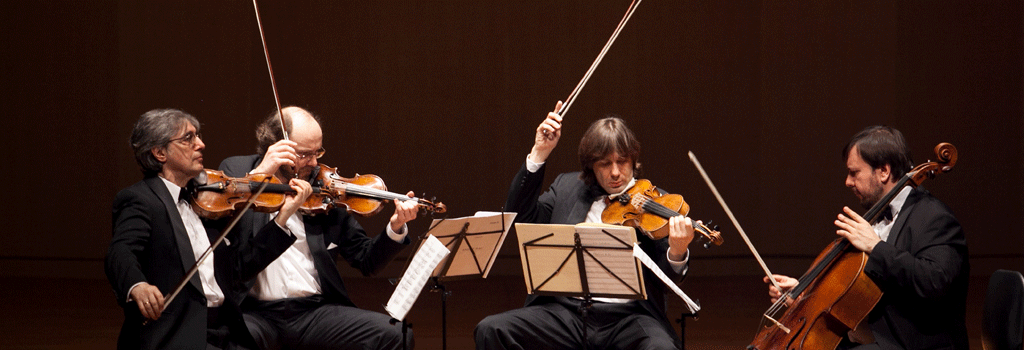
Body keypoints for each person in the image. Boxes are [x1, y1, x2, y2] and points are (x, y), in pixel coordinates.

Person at [475, 101, 698, 350]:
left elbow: (665, 282)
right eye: (604, 163)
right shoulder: (567, 188)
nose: (615, 172)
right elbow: (519, 215)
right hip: (566, 313)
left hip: (629, 318)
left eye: (622, 162)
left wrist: (677, 252)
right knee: (491, 330)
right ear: (591, 165)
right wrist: (539, 152)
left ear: (633, 160)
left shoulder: (657, 204)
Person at [105, 108, 312, 349]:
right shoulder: (140, 199)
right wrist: (137, 285)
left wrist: (282, 219)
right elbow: (120, 252)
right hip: (178, 333)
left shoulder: (207, 204)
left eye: (198, 136)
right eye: (188, 138)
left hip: (224, 331)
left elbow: (239, 269)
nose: (201, 144)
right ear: (160, 152)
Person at [218, 106, 419, 350]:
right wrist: (260, 175)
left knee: (396, 334)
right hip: (254, 313)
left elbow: (367, 260)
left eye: (318, 152)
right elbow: (228, 237)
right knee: (233, 342)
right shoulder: (237, 171)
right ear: (278, 147)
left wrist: (396, 226)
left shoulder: (325, 190)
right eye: (304, 154)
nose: (314, 163)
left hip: (314, 313)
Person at [764, 126, 969, 350]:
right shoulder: (877, 216)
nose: (848, 182)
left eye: (854, 173)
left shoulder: (935, 218)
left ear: (883, 172)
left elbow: (934, 282)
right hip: (876, 340)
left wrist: (876, 246)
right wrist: (805, 294)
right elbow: (853, 286)